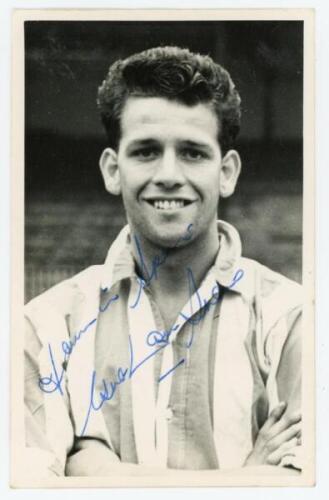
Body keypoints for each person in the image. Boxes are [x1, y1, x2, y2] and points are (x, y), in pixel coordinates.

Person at [24, 46, 302, 478]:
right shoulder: (45, 327)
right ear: (112, 169)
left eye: (192, 152)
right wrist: (249, 478)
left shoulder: (294, 321)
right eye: (146, 151)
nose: (169, 174)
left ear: (226, 171)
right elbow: (28, 487)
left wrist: (99, 472)